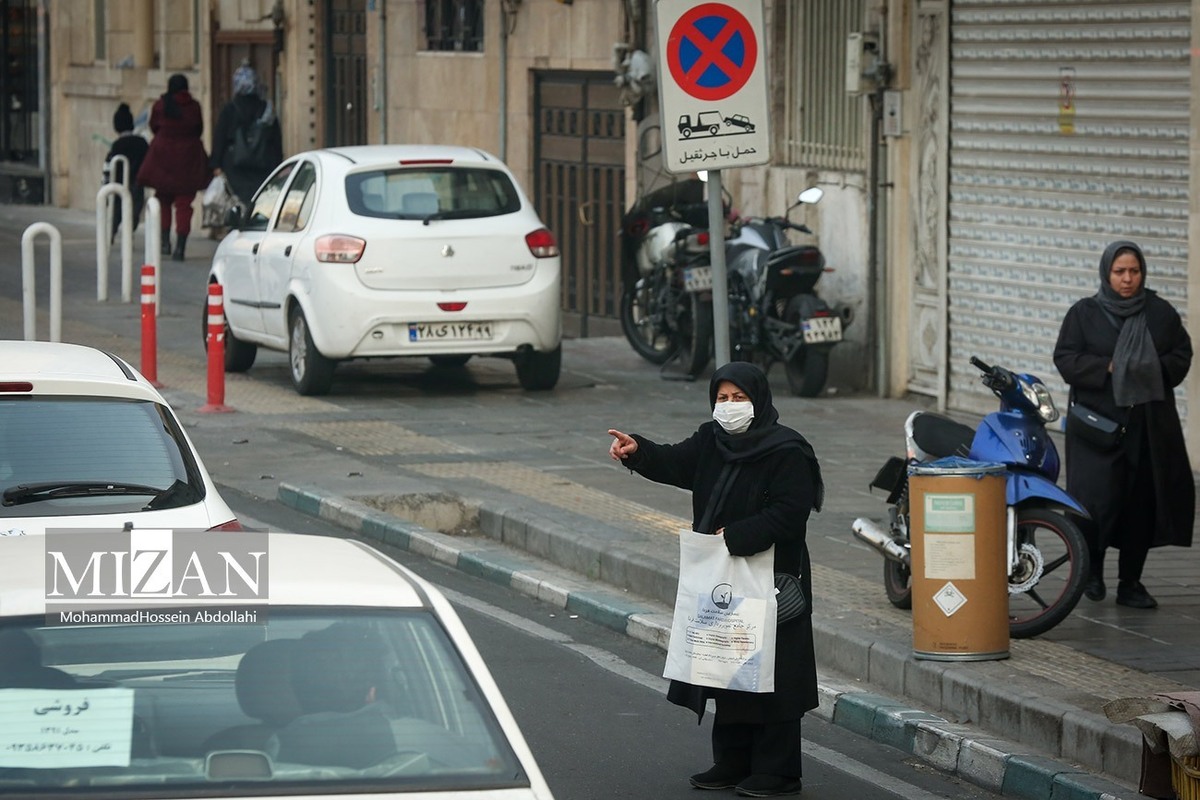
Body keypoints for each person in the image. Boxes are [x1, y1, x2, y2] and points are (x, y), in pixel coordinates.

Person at [607, 361, 823, 798]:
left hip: (773, 575)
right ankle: (732, 760)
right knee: (727, 663)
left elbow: (791, 511)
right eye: (722, 399)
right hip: (723, 575)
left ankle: (779, 771)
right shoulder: (712, 440)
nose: (729, 407)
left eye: (738, 398)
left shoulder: (787, 450)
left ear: (758, 400)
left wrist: (740, 534)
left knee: (774, 672)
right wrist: (638, 451)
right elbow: (675, 462)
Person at [1053, 240, 1194, 609]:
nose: (1128, 279)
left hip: (1147, 426)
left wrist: (1149, 367)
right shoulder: (1084, 314)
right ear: (1106, 273)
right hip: (1097, 430)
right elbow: (1066, 358)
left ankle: (1131, 583)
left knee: (1140, 505)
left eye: (1134, 271)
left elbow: (1182, 354)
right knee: (1095, 503)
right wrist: (1108, 368)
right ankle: (1092, 573)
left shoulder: (1160, 314)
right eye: (1120, 272)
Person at [136, 73, 210, 262]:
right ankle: (180, 247)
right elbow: (199, 129)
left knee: (163, 201)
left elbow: (153, 126)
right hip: (188, 159)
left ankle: (165, 242)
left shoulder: (161, 105)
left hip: (163, 158)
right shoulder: (193, 107)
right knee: (184, 204)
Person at [209, 63, 283, 210]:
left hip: (234, 167)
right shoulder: (267, 110)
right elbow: (276, 141)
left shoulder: (229, 110)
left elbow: (220, 137)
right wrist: (278, 166)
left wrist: (215, 164)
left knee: (237, 205)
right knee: (259, 204)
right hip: (262, 165)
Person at [103, 102, 148, 243]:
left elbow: (108, 167)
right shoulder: (142, 142)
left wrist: (104, 186)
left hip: (118, 182)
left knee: (116, 211)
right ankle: (129, 232)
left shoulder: (117, 145)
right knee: (135, 209)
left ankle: (111, 234)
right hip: (137, 182)